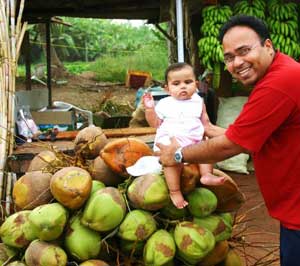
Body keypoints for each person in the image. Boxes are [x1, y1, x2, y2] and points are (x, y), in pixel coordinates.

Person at [156, 15, 300, 266]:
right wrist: (208, 128)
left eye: (244, 51)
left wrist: (178, 155)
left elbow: (233, 145)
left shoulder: (277, 84)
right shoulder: (282, 72)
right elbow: (245, 135)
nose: (237, 63)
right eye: (229, 57)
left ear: (268, 46)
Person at [142, 62, 225, 209]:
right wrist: (149, 110)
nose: (183, 86)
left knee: (206, 150)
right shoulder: (164, 104)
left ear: (196, 84)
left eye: (188, 82)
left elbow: (206, 123)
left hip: (194, 141)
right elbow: (155, 123)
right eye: (176, 83)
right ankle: (175, 191)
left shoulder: (198, 101)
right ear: (167, 89)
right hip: (171, 143)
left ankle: (207, 175)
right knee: (171, 163)